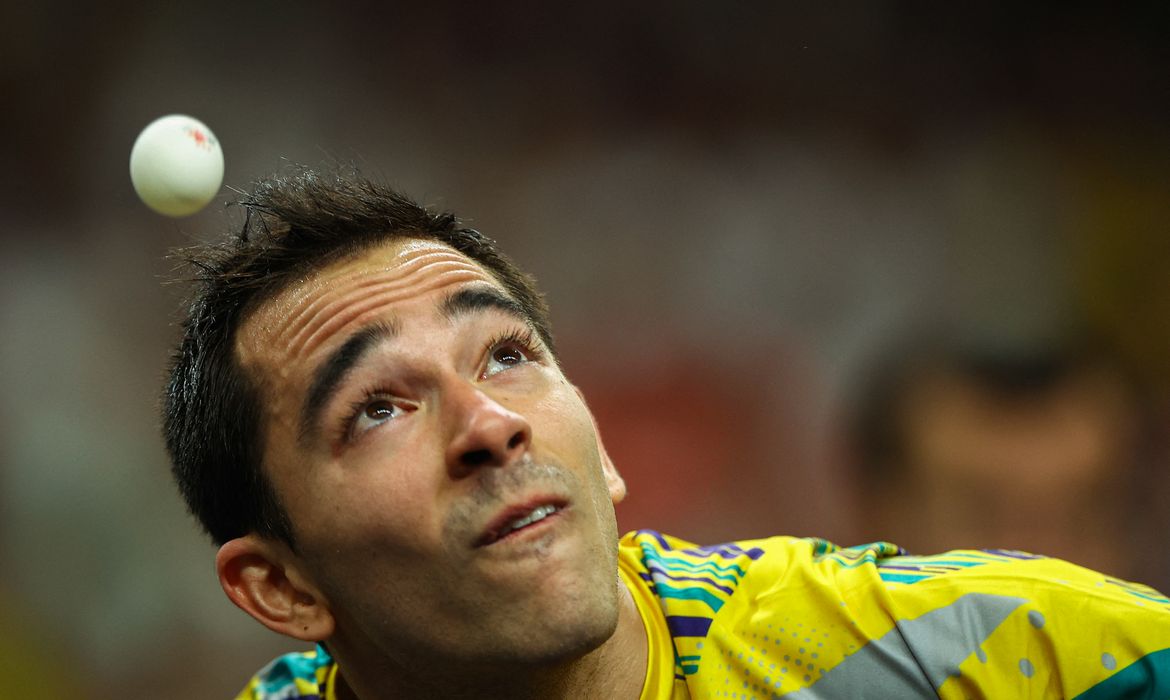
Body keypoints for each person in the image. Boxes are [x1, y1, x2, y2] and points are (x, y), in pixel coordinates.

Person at [162, 169, 1170, 699]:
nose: (491, 425)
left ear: (601, 453)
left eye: (506, 354)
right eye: (377, 408)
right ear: (282, 587)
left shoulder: (943, 654)